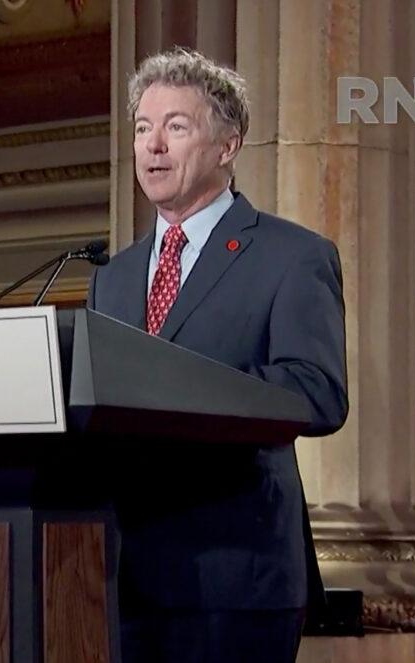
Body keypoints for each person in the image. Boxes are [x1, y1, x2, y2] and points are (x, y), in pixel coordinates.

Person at [87, 48, 349, 662]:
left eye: (176, 127)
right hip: (126, 580)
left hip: (239, 577)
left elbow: (317, 393)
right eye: (144, 129)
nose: (154, 147)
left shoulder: (292, 256)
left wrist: (183, 389)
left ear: (228, 144)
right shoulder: (114, 277)